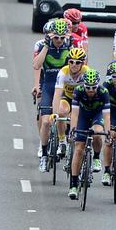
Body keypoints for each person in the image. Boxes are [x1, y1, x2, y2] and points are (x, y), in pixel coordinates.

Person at [32, 19, 73, 171]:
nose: (59, 41)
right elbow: (36, 65)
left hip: (64, 85)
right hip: (48, 84)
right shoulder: (42, 45)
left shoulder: (69, 45)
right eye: (56, 37)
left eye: (62, 38)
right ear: (50, 36)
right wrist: (47, 46)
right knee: (46, 122)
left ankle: (62, 141)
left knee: (63, 114)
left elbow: (79, 65)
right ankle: (43, 154)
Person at [67, 69, 110, 200]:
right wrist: (72, 130)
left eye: (93, 87)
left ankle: (96, 157)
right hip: (83, 116)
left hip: (97, 115)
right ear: (84, 85)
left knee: (97, 132)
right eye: (88, 87)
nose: (91, 90)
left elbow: (107, 116)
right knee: (79, 148)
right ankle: (73, 184)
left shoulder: (103, 92)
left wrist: (107, 132)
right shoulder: (78, 91)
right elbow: (74, 113)